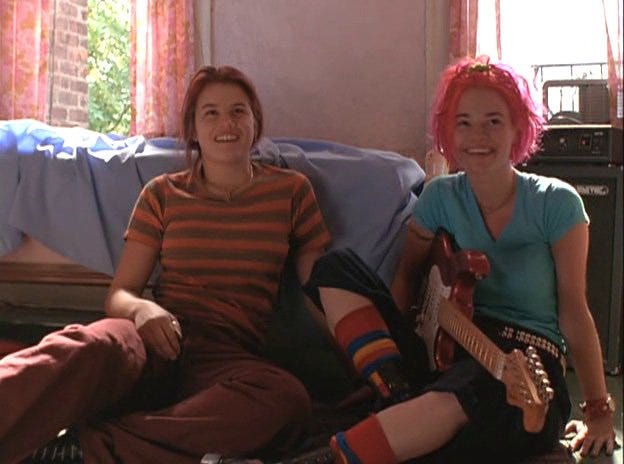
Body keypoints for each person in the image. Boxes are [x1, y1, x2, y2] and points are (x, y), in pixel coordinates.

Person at [282, 56, 617, 464]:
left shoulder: (557, 203)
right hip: (441, 348)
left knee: (468, 392)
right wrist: (403, 344)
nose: (478, 135)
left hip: (524, 360)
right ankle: (395, 389)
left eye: (493, 121)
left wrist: (598, 410)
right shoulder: (439, 195)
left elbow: (575, 311)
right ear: (448, 131)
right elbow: (407, 278)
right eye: (464, 122)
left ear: (518, 127)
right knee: (335, 269)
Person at [0, 65, 331, 464]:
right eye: (211, 113)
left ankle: (77, 451)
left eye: (238, 111)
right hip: (157, 337)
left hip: (229, 359)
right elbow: (121, 294)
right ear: (193, 129)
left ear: (255, 121)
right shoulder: (163, 193)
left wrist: (359, 353)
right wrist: (143, 310)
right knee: (93, 343)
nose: (226, 124)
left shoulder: (291, 191)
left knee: (287, 400)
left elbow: (320, 290)